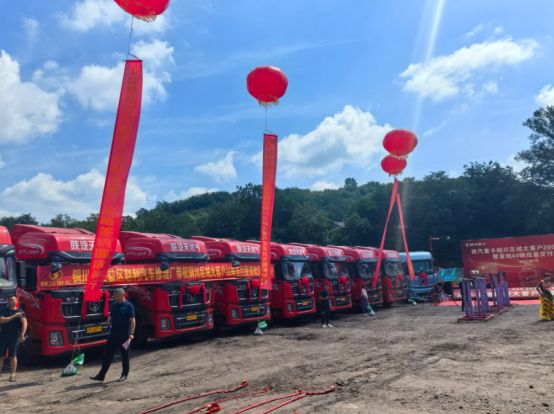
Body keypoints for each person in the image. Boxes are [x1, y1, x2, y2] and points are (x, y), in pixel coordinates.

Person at [90, 288, 136, 382]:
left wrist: (131, 334)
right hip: (113, 334)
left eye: (117, 296)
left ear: (122, 295)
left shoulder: (129, 306)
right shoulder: (114, 305)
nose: (115, 297)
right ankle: (101, 375)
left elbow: (132, 321)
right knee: (107, 354)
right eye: (114, 296)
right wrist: (109, 320)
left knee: (125, 355)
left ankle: (124, 374)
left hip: (125, 336)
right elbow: (111, 315)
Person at [0, 295, 27, 382]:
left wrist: (22, 334)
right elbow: (2, 320)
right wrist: (14, 316)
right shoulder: (3, 310)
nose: (10, 301)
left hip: (14, 336)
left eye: (12, 300)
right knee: (1, 356)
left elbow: (24, 323)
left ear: (16, 301)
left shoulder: (20, 311)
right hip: (3, 335)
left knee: (13, 355)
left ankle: (12, 374)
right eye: (9, 300)